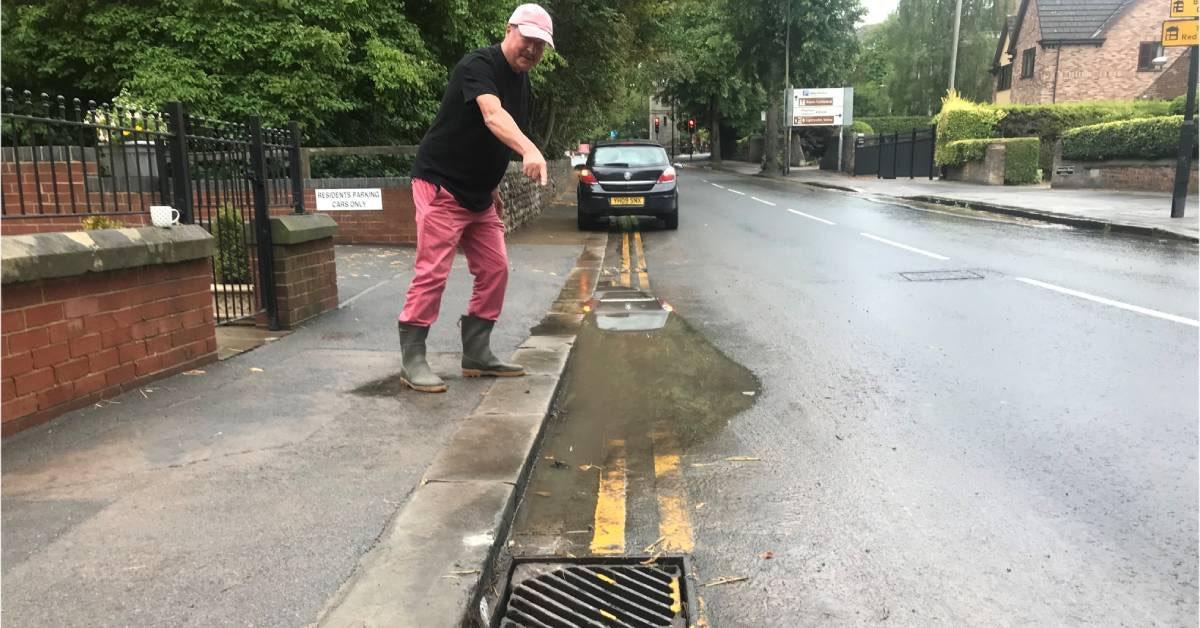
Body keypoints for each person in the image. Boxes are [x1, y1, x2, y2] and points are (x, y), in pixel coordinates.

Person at [396, 3, 554, 393]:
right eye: (528, 39)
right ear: (509, 30)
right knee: (433, 271)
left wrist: (494, 187)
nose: (532, 50)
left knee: (496, 267)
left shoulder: (522, 82)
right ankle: (413, 358)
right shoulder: (477, 66)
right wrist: (530, 150)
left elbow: (492, 142)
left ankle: (477, 352)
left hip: (479, 194)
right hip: (441, 185)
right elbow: (492, 115)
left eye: (540, 45)